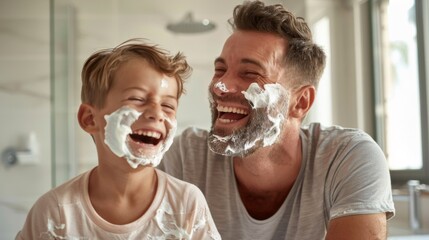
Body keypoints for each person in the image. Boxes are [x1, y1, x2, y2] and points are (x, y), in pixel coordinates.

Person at [158, 1, 395, 239]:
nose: (220, 86)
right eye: (220, 70)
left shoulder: (348, 157)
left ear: (301, 102)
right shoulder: (184, 158)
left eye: (249, 73)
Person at [16, 39, 221, 240]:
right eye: (137, 99)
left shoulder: (186, 204)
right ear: (89, 119)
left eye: (168, 106)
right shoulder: (56, 212)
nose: (157, 113)